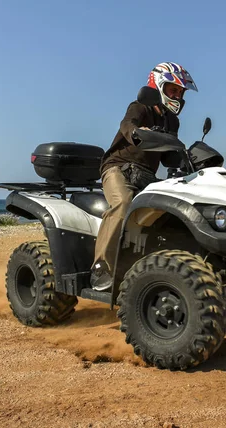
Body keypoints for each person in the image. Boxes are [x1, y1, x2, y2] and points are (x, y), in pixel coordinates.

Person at [90, 62, 198, 291]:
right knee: (123, 204)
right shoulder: (140, 107)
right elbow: (127, 124)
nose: (177, 95)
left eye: (180, 92)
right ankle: (101, 268)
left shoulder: (172, 121)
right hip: (117, 168)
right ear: (158, 86)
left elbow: (169, 157)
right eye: (173, 90)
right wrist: (138, 133)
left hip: (146, 175)